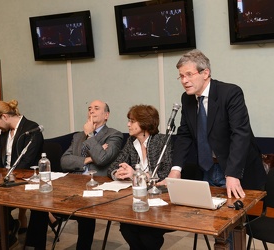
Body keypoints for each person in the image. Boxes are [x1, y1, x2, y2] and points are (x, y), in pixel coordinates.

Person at [164, 49, 267, 249]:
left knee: (232, 223)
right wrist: (176, 169)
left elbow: (240, 134)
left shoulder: (230, 93)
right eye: (181, 76)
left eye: (189, 74)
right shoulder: (187, 99)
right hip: (209, 167)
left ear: (205, 73)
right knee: (216, 222)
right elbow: (184, 135)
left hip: (236, 168)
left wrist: (232, 173)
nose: (184, 80)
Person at [107, 104, 172, 250]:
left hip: (159, 201)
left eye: (132, 121)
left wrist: (137, 175)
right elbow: (113, 166)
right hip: (136, 200)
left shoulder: (161, 141)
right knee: (126, 227)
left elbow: (165, 172)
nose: (128, 124)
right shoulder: (131, 142)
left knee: (148, 235)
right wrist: (117, 173)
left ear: (145, 123)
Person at [60, 99, 123, 250]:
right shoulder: (78, 136)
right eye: (89, 109)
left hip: (97, 186)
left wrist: (90, 135)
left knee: (85, 212)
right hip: (74, 183)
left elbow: (102, 159)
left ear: (106, 115)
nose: (91, 111)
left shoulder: (114, 135)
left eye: (96, 108)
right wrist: (89, 158)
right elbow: (64, 161)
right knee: (40, 206)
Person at [0, 99, 47, 250]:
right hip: (6, 179)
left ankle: (18, 238)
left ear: (5, 117)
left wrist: (9, 177)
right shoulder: (4, 134)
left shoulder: (32, 130)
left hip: (25, 179)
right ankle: (8, 233)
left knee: (39, 208)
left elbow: (27, 161)